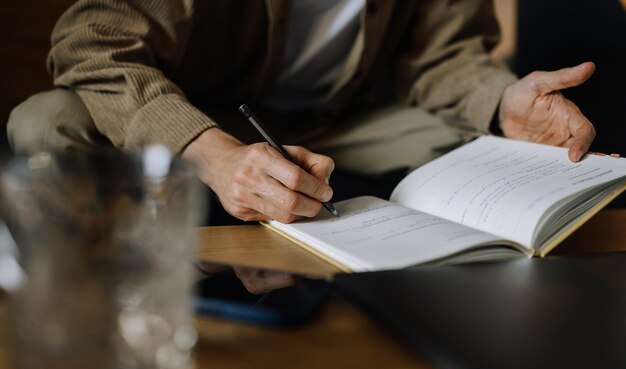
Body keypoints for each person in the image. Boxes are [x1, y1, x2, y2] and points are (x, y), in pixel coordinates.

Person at [7, 0, 596, 224]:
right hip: (201, 118)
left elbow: (442, 57)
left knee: (477, 144)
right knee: (44, 124)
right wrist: (211, 154)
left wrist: (501, 103)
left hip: (343, 123)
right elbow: (88, 42)